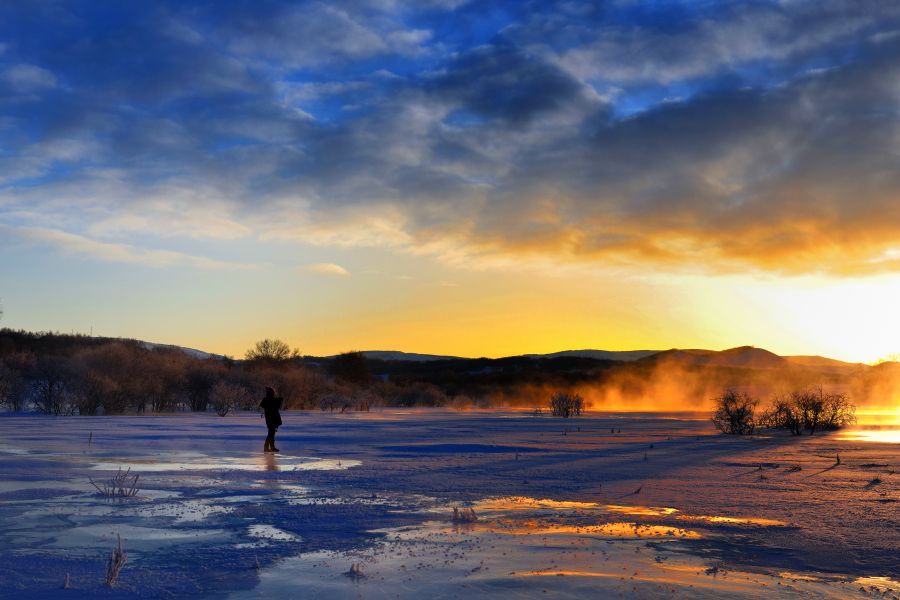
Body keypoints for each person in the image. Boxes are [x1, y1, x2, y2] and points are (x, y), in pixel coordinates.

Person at [259, 386, 283, 453]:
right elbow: (275, 407)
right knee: (271, 433)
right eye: (273, 392)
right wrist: (279, 400)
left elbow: (273, 406)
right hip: (272, 419)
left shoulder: (267, 400)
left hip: (270, 419)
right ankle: (267, 447)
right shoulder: (270, 400)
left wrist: (278, 400)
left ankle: (270, 447)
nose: (274, 393)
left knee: (271, 433)